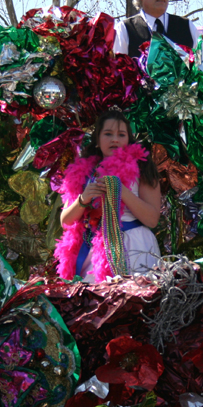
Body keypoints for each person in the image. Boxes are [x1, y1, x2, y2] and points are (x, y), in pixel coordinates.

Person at [55, 109, 161, 283]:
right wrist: (83, 200)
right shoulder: (84, 172)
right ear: (97, 139)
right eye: (108, 134)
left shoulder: (142, 167)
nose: (115, 139)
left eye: (121, 134)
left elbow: (152, 220)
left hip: (133, 247)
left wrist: (121, 191)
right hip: (94, 250)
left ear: (128, 139)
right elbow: (65, 221)